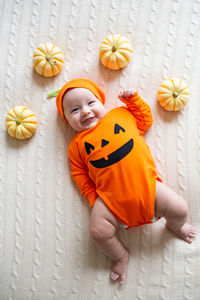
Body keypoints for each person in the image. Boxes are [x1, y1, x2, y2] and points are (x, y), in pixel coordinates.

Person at [55, 78, 196, 284]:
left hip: (147, 187)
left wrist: (133, 101)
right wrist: (94, 199)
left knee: (180, 209)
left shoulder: (120, 115)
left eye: (91, 103)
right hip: (110, 201)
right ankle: (120, 256)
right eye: (74, 110)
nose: (85, 111)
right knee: (97, 232)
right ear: (67, 120)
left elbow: (145, 121)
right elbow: (79, 174)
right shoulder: (76, 146)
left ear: (101, 101)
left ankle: (176, 226)